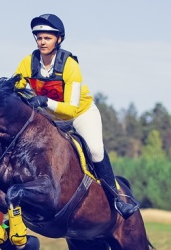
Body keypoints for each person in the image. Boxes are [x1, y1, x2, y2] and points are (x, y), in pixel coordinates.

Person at [13, 13, 140, 219]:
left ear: (59, 39)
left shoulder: (70, 65)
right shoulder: (28, 62)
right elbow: (15, 89)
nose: (42, 41)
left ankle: (117, 199)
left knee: (96, 150)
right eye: (39, 37)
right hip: (50, 117)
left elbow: (71, 109)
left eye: (48, 37)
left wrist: (44, 101)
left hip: (80, 114)